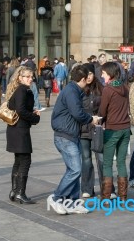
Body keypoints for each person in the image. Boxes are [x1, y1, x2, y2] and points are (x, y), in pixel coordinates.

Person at [48, 64, 100, 215]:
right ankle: (57, 197)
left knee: (74, 170)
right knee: (76, 169)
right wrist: (91, 119)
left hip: (71, 134)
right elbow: (77, 113)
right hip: (65, 135)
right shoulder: (71, 91)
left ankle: (72, 202)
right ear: (83, 79)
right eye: (87, 77)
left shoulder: (73, 90)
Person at [6, 66, 41, 204]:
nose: (30, 79)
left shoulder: (18, 89)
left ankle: (15, 191)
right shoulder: (22, 90)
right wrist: (34, 117)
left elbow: (17, 107)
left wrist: (31, 111)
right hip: (20, 130)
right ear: (20, 78)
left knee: (19, 161)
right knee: (25, 161)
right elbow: (20, 110)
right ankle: (20, 193)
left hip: (15, 129)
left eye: (31, 76)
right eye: (27, 76)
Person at [98, 61, 131, 202]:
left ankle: (106, 197)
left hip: (112, 129)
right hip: (125, 129)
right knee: (122, 163)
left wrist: (98, 120)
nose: (102, 75)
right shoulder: (124, 88)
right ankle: (123, 196)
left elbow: (102, 111)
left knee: (107, 163)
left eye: (104, 73)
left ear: (110, 74)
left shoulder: (108, 90)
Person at [80, 63, 104, 198]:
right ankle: (87, 189)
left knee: (101, 158)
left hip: (98, 128)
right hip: (83, 129)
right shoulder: (79, 89)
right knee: (86, 159)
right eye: (86, 74)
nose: (89, 77)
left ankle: (106, 188)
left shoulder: (100, 88)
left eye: (90, 74)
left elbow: (105, 107)